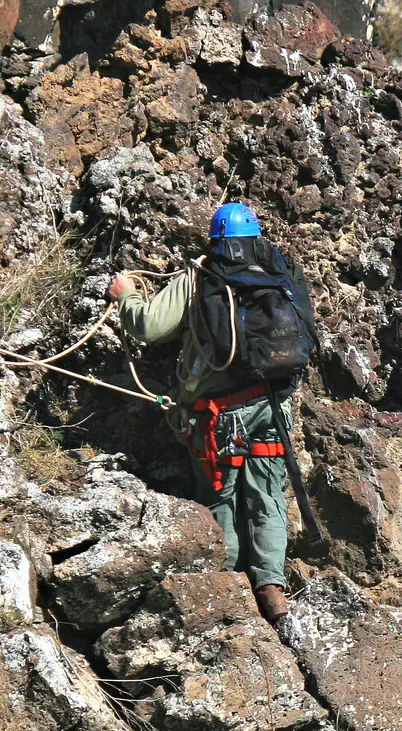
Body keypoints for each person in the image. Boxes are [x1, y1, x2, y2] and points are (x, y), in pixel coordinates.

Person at [107, 203, 295, 621]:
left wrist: (127, 295)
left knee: (219, 497)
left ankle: (228, 590)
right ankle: (272, 589)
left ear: (214, 239)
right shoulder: (278, 274)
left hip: (219, 415)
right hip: (274, 407)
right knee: (267, 495)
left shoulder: (200, 276)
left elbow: (150, 327)